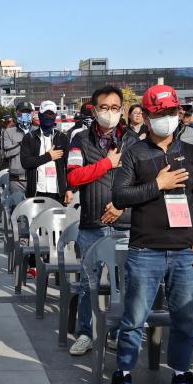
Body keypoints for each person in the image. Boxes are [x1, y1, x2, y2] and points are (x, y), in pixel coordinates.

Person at [108, 85, 193, 384]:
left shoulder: (191, 153)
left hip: (184, 250)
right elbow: (120, 196)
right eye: (158, 114)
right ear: (148, 116)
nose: (165, 119)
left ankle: (181, 374)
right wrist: (158, 184)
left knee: (184, 319)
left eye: (170, 113)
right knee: (134, 318)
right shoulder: (135, 153)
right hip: (145, 250)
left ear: (179, 114)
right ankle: (124, 372)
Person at [65, 85, 139, 356]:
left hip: (125, 223)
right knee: (88, 283)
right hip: (92, 224)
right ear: (94, 110)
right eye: (104, 108)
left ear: (122, 109)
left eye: (115, 108)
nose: (110, 113)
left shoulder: (133, 140)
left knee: (125, 282)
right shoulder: (80, 140)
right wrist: (107, 164)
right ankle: (85, 332)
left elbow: (143, 182)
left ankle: (118, 333)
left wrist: (121, 206)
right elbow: (73, 178)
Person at [19, 100, 73, 204]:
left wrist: (70, 189)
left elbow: (69, 166)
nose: (48, 117)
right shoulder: (29, 137)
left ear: (55, 115)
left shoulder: (62, 138)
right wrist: (48, 156)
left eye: (51, 114)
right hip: (36, 191)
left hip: (58, 193)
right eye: (46, 114)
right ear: (40, 115)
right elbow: (25, 162)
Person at [0, 101, 34, 195]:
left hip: (35, 177)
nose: (25, 115)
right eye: (22, 112)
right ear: (17, 113)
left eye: (27, 112)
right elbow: (6, 153)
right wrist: (23, 143)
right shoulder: (8, 132)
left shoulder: (37, 131)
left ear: (32, 114)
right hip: (16, 179)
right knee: (16, 206)